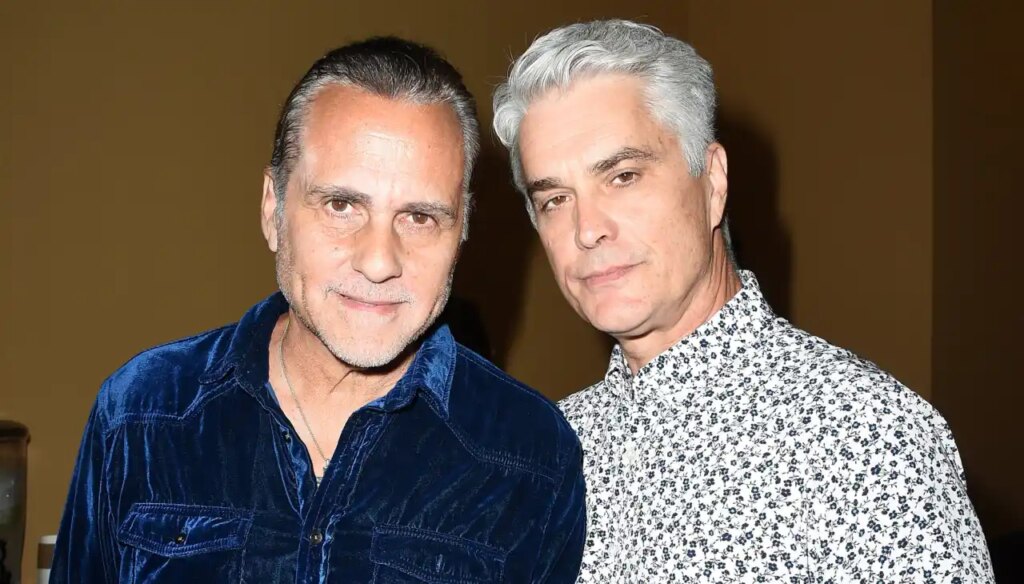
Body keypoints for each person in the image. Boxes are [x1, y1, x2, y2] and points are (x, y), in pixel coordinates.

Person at [51, 37, 584, 583]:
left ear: (462, 229)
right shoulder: (142, 413)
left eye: (420, 217)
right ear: (272, 210)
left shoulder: (531, 456)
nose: (379, 262)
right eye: (341, 205)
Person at [492, 19, 993, 582]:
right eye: (555, 200)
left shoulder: (864, 436)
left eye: (624, 176)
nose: (587, 229)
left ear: (712, 182)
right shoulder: (546, 449)